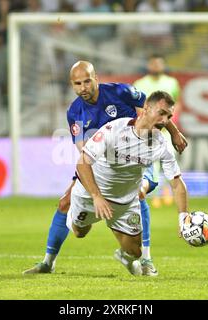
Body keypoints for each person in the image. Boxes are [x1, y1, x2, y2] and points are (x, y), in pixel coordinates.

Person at [22, 61, 187, 276]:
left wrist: (174, 132)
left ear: (96, 78)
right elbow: (82, 148)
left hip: (136, 159)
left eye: (87, 81)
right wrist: (93, 182)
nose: (83, 88)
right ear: (72, 85)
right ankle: (48, 262)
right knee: (65, 204)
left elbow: (154, 109)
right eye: (78, 83)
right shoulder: (75, 112)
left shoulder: (120, 91)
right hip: (102, 160)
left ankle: (146, 259)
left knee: (139, 193)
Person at [67, 90, 189, 275]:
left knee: (135, 251)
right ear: (146, 108)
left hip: (126, 202)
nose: (165, 121)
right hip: (90, 196)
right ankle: (74, 216)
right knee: (79, 232)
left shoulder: (161, 145)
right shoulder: (113, 130)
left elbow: (177, 184)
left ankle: (125, 258)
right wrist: (96, 196)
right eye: (161, 113)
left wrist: (183, 217)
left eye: (169, 116)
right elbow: (83, 163)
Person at [134, 54, 182, 211]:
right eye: (153, 64)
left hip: (165, 129)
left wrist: (172, 123)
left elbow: (177, 103)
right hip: (147, 131)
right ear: (149, 65)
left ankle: (167, 191)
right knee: (152, 164)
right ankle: (155, 195)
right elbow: (137, 107)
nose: (156, 66)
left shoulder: (172, 82)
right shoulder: (139, 83)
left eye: (159, 64)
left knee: (169, 160)